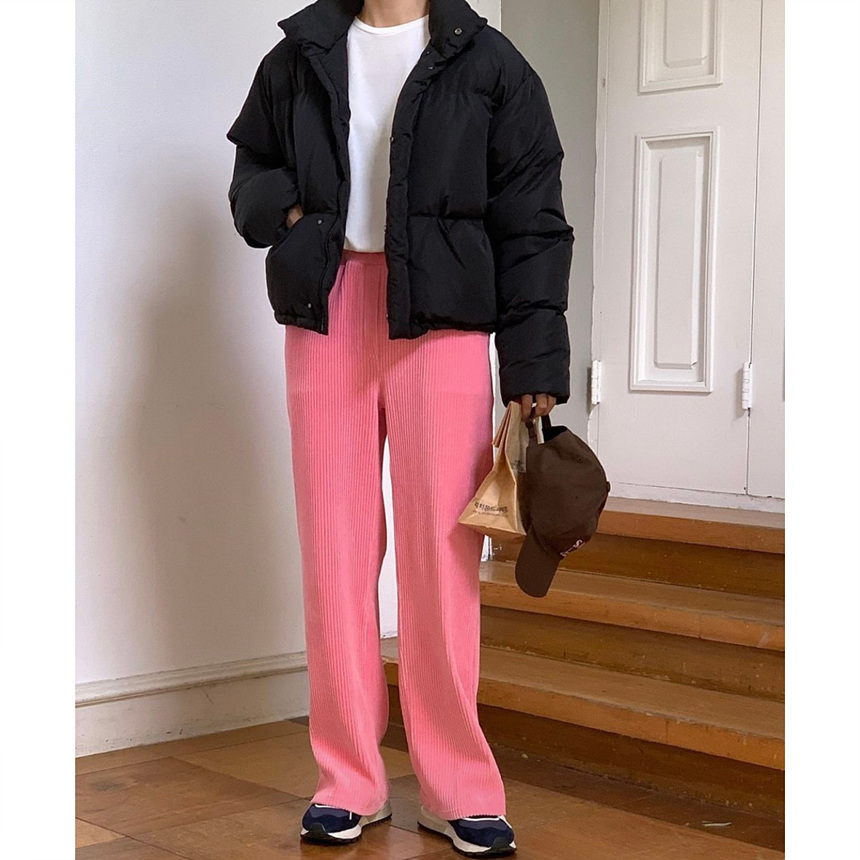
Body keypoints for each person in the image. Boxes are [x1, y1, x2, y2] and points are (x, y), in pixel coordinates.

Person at [225, 0, 573, 855]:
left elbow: (532, 218)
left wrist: (532, 366)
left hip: (444, 323)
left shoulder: (490, 63)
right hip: (328, 312)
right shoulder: (299, 53)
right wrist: (296, 217)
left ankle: (459, 786)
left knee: (442, 557)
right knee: (335, 555)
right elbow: (251, 174)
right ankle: (348, 780)